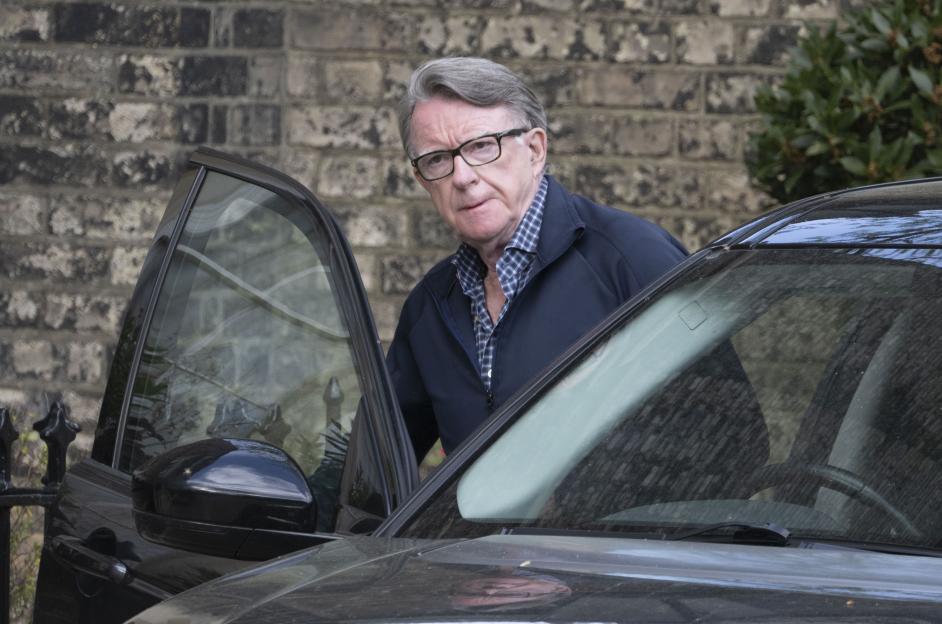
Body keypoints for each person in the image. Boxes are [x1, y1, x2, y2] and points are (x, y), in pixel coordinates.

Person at [387, 57, 687, 462]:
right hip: (476, 530)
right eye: (438, 159)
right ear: (423, 181)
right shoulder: (431, 307)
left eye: (481, 146)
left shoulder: (630, 260)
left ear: (534, 150)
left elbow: (737, 436)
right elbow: (374, 472)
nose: (462, 176)